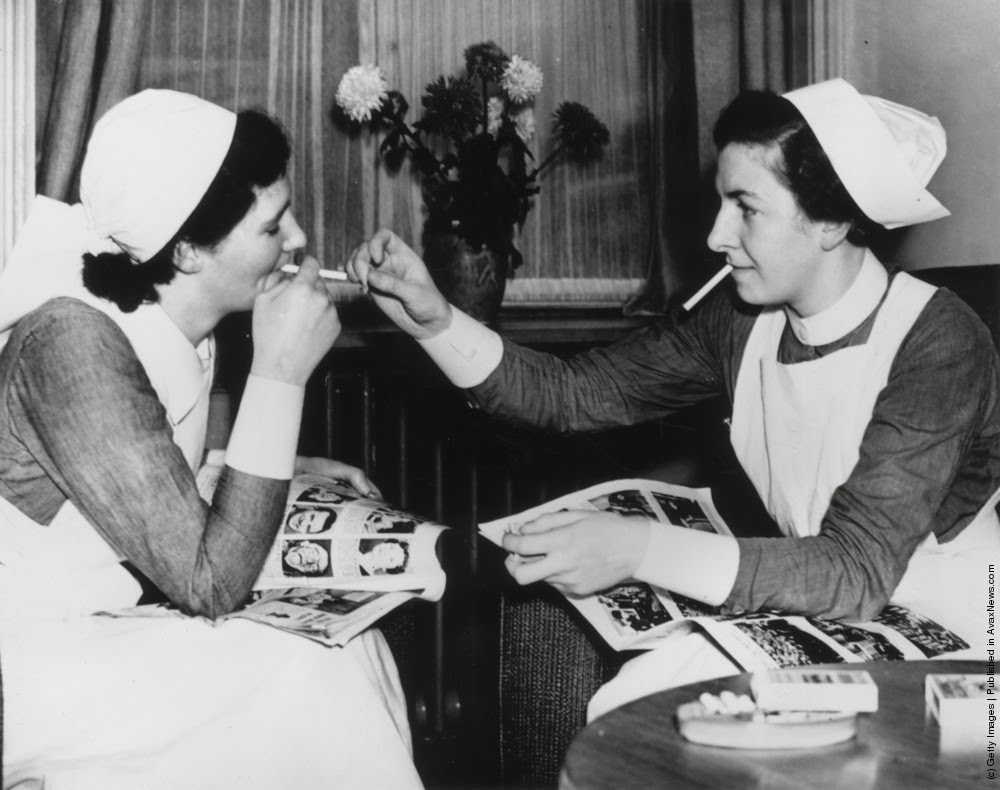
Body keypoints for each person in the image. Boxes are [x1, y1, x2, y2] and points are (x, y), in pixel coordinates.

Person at [346, 78, 1000, 719]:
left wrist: (638, 549)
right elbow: (576, 393)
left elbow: (857, 570)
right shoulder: (740, 321)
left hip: (952, 636)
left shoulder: (940, 342)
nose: (717, 235)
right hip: (832, 608)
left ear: (830, 221)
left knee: (655, 712)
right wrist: (434, 320)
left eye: (745, 206)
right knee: (638, 706)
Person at [0, 90, 422, 788]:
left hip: (88, 630)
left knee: (353, 645)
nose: (296, 241)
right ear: (191, 251)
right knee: (311, 675)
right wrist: (281, 373)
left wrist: (277, 462)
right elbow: (211, 581)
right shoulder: (70, 342)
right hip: (27, 666)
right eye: (272, 225)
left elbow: (134, 475)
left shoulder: (171, 322)